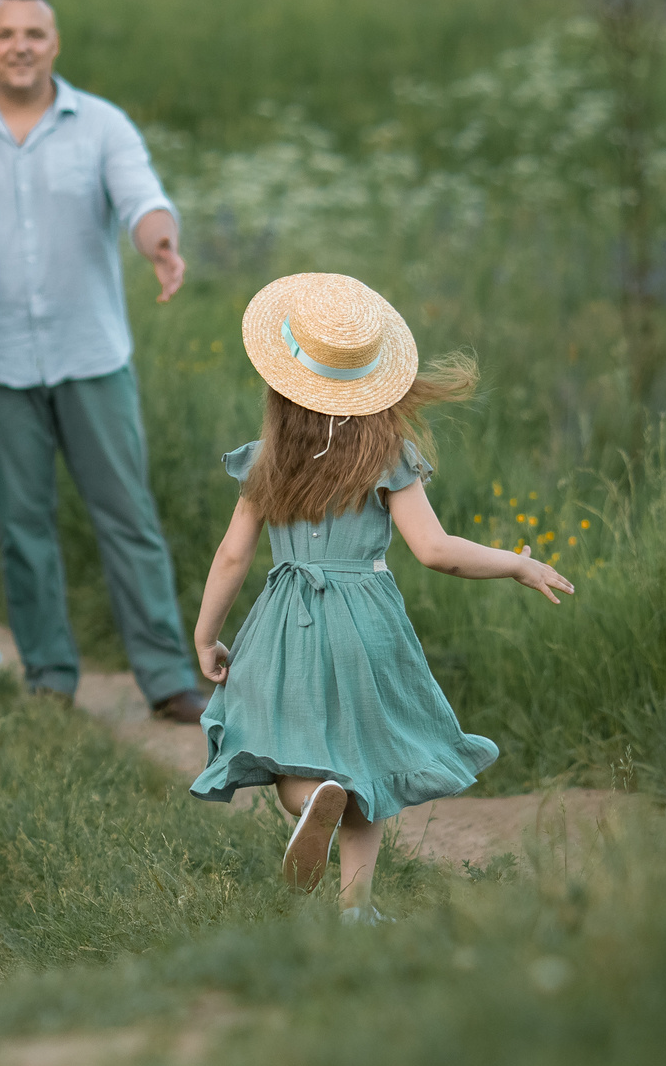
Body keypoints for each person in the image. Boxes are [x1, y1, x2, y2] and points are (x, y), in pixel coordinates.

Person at [187, 273, 577, 922]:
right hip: (368, 623)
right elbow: (435, 550)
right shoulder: (387, 455)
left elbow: (233, 555)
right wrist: (514, 564)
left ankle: (313, 800)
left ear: (283, 380)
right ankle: (355, 906)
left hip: (290, 625)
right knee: (365, 760)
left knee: (291, 758)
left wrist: (205, 636)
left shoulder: (268, 460)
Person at [0, 0, 207, 724]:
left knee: (126, 516)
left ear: (54, 44)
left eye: (35, 33)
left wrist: (159, 243)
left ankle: (165, 677)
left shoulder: (101, 124)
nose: (21, 45)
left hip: (90, 355)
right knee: (22, 525)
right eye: (6, 34)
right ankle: (48, 678)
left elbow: (141, 199)